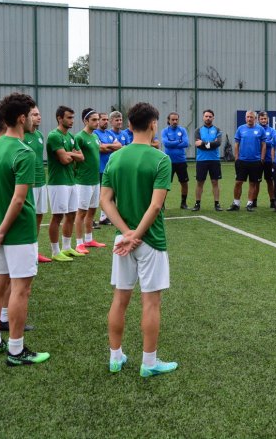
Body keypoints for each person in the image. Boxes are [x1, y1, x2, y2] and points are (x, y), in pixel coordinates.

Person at [101, 102, 178, 377]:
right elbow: (156, 206)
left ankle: (115, 357)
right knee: (150, 302)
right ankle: (149, 362)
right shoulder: (160, 159)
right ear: (154, 124)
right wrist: (137, 234)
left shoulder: (115, 158)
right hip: (151, 240)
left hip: (123, 241)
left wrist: (125, 232)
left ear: (129, 126)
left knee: (120, 299)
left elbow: (105, 200)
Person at [0, 92, 50, 365]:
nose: (35, 119)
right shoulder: (24, 151)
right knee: (21, 289)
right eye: (32, 113)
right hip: (18, 232)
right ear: (21, 118)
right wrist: (1, 229)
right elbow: (19, 199)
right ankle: (16, 350)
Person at [46, 106, 85, 261]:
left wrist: (71, 154)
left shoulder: (71, 136)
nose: (72, 121)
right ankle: (55, 252)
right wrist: (72, 154)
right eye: (68, 117)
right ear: (59, 118)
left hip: (70, 180)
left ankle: (67, 247)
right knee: (57, 216)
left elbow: (81, 157)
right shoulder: (54, 136)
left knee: (71, 214)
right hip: (58, 182)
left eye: (72, 117)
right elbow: (64, 160)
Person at [74, 108, 107, 254]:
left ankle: (89, 239)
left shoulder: (95, 137)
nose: (97, 122)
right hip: (83, 181)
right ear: (85, 121)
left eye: (97, 119)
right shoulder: (79, 137)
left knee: (92, 211)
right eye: (93, 119)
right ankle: (79, 243)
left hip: (95, 180)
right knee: (81, 212)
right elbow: (74, 159)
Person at [22, 105, 52, 262]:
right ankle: (26, 252)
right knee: (29, 217)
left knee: (39, 216)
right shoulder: (22, 135)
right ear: (27, 117)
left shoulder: (40, 135)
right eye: (34, 114)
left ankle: (34, 251)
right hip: (29, 183)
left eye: (39, 114)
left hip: (41, 182)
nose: (38, 117)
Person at [227, 110, 265, 212]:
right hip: (242, 161)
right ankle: (236, 203)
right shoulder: (240, 129)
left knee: (253, 183)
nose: (249, 119)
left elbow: (263, 144)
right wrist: (236, 158)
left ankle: (249, 204)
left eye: (251, 117)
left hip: (256, 161)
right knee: (238, 182)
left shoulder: (260, 129)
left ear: (255, 118)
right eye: (247, 117)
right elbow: (236, 144)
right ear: (245, 118)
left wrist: (262, 158)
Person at [192, 109, 223, 212]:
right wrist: (210, 144)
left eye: (210, 116)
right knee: (200, 182)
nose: (208, 118)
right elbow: (198, 145)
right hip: (202, 160)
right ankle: (197, 203)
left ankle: (217, 204)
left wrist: (204, 143)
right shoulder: (198, 130)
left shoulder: (218, 130)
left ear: (213, 118)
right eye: (206, 116)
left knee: (215, 182)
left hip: (214, 160)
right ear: (203, 117)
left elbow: (218, 143)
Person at [94, 111, 120, 226]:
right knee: (99, 195)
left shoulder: (110, 133)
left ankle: (104, 217)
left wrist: (107, 146)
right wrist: (111, 147)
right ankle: (91, 219)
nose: (105, 122)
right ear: (98, 121)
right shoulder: (95, 133)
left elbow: (118, 146)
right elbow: (100, 148)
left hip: (110, 168)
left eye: (106, 120)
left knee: (110, 193)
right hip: (99, 168)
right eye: (103, 119)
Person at [161, 112, 190, 209]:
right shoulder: (165, 131)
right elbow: (166, 143)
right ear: (168, 120)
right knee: (166, 184)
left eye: (176, 119)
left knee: (184, 182)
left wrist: (172, 143)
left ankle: (183, 203)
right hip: (168, 162)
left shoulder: (182, 130)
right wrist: (179, 141)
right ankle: (162, 204)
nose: (175, 121)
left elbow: (186, 143)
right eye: (173, 120)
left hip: (181, 161)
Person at [257, 111, 276, 208]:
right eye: (261, 119)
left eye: (265, 118)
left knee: (270, 181)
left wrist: (263, 142)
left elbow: (274, 142)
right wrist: (265, 142)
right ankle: (253, 201)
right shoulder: (256, 129)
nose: (263, 120)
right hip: (257, 160)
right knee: (256, 181)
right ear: (258, 119)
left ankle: (273, 201)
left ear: (267, 119)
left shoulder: (272, 131)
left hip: (269, 160)